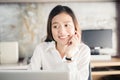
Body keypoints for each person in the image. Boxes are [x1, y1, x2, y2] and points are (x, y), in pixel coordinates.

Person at [28, 5, 90, 80]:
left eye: (66, 25)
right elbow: (30, 77)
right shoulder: (41, 49)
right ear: (50, 29)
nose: (62, 31)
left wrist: (69, 57)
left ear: (75, 28)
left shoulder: (83, 50)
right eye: (55, 26)